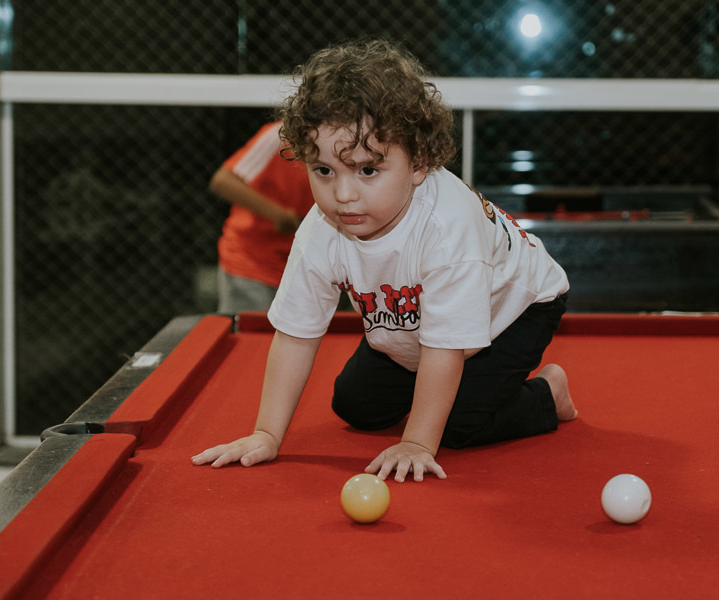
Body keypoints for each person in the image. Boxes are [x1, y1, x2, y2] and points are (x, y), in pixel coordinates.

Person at [191, 40, 577, 482]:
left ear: (418, 164)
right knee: (357, 406)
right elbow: (296, 335)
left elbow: (445, 348)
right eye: (324, 171)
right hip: (418, 320)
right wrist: (266, 434)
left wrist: (416, 441)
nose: (343, 194)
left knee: (456, 426)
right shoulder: (323, 228)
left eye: (367, 170)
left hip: (514, 307)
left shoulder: (448, 228)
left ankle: (549, 392)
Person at [210, 121, 315, 312]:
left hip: (303, 268)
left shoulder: (345, 141)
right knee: (251, 337)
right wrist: (278, 215)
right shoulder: (280, 135)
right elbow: (223, 181)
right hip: (252, 262)